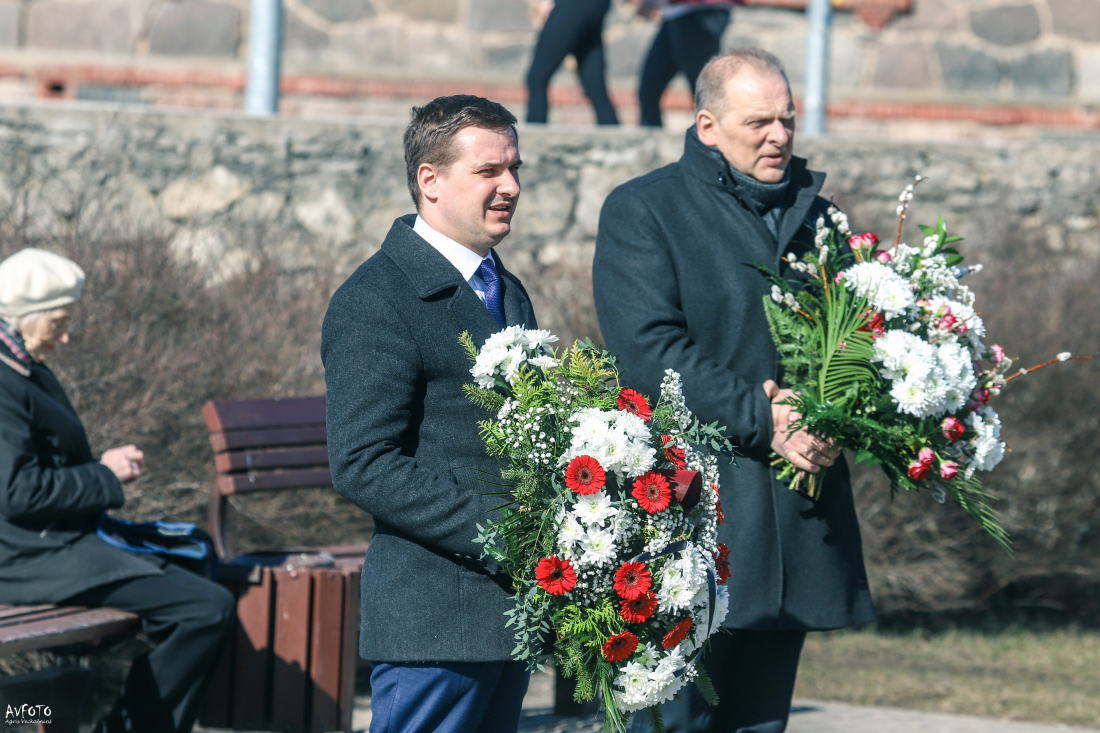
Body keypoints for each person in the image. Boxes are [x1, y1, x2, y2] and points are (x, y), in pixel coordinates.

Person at [592, 49, 875, 732]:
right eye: (759, 122)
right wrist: (767, 416)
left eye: (788, 119)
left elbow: (859, 341)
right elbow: (649, 351)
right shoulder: (645, 209)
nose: (779, 135)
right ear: (708, 126)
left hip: (796, 518)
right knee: (674, 722)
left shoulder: (821, 220)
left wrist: (830, 417)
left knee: (760, 723)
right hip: (693, 519)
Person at [322, 95, 537, 733]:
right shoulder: (377, 297)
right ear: (430, 180)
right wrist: (507, 531)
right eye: (489, 171)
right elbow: (363, 463)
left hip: (507, 613)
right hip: (434, 619)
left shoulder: (505, 287)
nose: (510, 186)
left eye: (514, 168)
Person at [0, 247, 236, 733]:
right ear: (23, 316)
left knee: (202, 576)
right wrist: (104, 475)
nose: (67, 336)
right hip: (25, 557)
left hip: (54, 546)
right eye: (58, 323)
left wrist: (103, 471)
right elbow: (17, 492)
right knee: (204, 609)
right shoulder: (6, 379)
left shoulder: (24, 366)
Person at [634, 0, 735, 128]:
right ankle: (650, 139)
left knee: (703, 92)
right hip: (675, 14)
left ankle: (713, 138)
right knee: (649, 89)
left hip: (701, 11)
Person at [525, 0, 620, 125]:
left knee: (537, 79)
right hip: (598, 5)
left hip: (573, 4)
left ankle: (534, 135)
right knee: (595, 87)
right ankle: (614, 134)